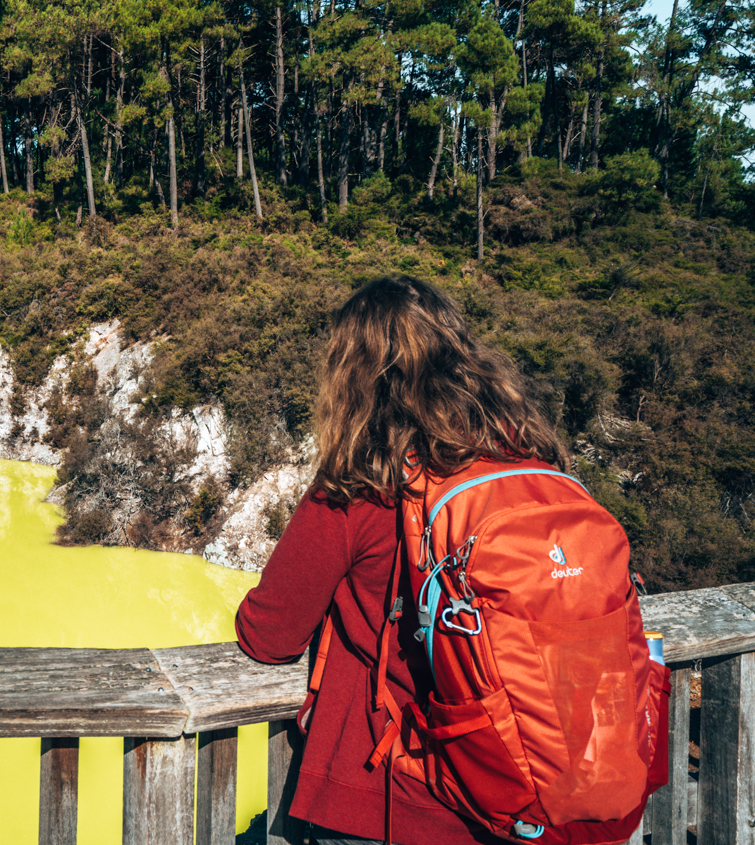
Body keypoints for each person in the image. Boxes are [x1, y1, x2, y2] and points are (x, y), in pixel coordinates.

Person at [236, 276, 565, 845]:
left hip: (389, 791)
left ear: (353, 372)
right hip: (517, 786)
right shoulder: (525, 460)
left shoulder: (360, 482)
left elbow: (270, 634)